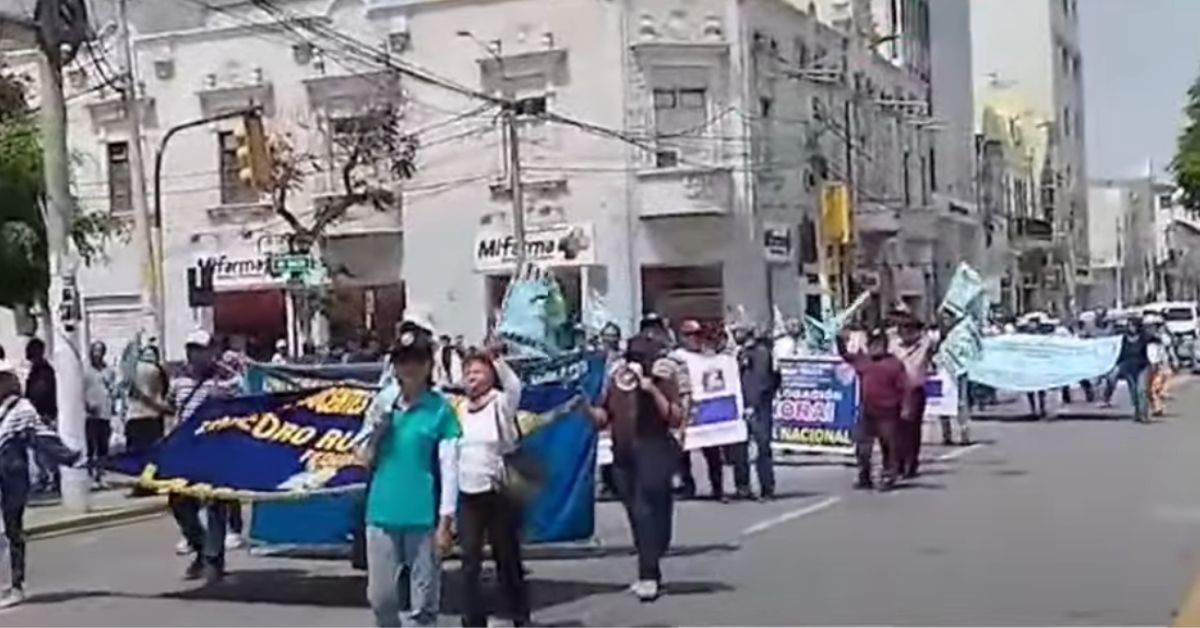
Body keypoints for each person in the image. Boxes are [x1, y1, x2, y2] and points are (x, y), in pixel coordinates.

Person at [361, 325, 460, 628]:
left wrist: (446, 522)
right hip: (381, 514)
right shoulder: (382, 403)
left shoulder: (440, 410)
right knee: (381, 598)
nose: (410, 368)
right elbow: (364, 459)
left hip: (422, 517)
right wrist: (379, 430)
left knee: (424, 604)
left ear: (429, 364)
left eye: (417, 360)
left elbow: (450, 468)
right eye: (403, 361)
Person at [590, 334, 684, 602]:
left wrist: (651, 389)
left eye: (641, 358)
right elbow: (604, 414)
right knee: (638, 513)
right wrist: (590, 413)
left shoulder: (664, 378)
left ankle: (651, 564)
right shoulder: (617, 380)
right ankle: (649, 567)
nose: (635, 364)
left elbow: (675, 417)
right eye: (632, 358)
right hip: (623, 453)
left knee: (653, 511)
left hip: (655, 449)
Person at [457, 345, 531, 627]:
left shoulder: (501, 402)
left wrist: (494, 358)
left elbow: (514, 385)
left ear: (489, 376)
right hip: (468, 492)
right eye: (467, 372)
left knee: (507, 557)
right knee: (469, 560)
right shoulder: (460, 408)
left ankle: (519, 614)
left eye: (477, 371)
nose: (471, 377)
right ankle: (473, 618)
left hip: (498, 491)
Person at [0, 358, 83, 607]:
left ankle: (17, 585)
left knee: (12, 530)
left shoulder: (23, 409)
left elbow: (44, 438)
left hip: (13, 477)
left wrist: (69, 457)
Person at [162, 330, 243, 582]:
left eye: (201, 349)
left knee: (215, 504)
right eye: (192, 349)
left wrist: (226, 388)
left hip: (214, 450)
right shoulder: (179, 383)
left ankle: (212, 560)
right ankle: (199, 546)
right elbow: (170, 411)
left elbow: (244, 405)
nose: (195, 354)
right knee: (179, 502)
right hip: (185, 450)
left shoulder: (224, 382)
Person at [672, 320, 738, 501]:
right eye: (689, 335)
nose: (694, 339)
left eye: (696, 334)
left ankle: (718, 488)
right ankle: (687, 486)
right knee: (682, 451)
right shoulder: (676, 357)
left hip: (707, 410)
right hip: (686, 408)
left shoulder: (709, 356)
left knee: (712, 451)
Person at [839, 329, 908, 490]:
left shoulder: (894, 364)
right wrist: (839, 339)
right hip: (868, 411)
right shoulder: (864, 361)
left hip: (888, 412)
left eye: (879, 344)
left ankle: (888, 475)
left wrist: (905, 408)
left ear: (885, 346)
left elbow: (904, 388)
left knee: (889, 446)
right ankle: (864, 475)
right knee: (862, 446)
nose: (875, 348)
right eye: (872, 344)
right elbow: (845, 356)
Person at [890, 315, 938, 478]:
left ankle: (911, 463)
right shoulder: (893, 345)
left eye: (909, 329)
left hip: (914, 390)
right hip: (895, 391)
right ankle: (898, 463)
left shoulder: (925, 344)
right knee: (895, 429)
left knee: (912, 429)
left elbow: (938, 337)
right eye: (902, 329)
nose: (905, 333)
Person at [734, 325, 778, 500]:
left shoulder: (761, 353)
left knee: (762, 447)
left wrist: (754, 403)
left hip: (757, 407)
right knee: (739, 449)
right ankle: (743, 486)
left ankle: (766, 487)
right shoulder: (738, 353)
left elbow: (765, 380)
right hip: (741, 404)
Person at [24, 338, 57, 494]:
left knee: (45, 450)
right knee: (39, 451)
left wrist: (45, 414)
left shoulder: (43, 371)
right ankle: (46, 478)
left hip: (44, 415)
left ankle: (50, 479)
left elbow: (42, 393)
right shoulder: (38, 370)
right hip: (39, 414)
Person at [83, 341, 116, 487]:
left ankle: (101, 475)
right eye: (95, 350)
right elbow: (79, 391)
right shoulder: (85, 371)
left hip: (105, 412)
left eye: (101, 350)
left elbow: (113, 388)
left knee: (104, 446)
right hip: (90, 414)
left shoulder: (108, 370)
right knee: (91, 446)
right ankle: (91, 477)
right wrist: (86, 405)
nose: (98, 353)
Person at [1108, 317, 1153, 423]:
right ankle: (1137, 412)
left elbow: (1156, 341)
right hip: (1128, 368)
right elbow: (1118, 352)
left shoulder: (1144, 337)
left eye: (1133, 325)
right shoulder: (1123, 339)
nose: (1131, 328)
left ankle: (1144, 414)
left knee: (1142, 390)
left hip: (1142, 367)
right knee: (1134, 391)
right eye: (1129, 325)